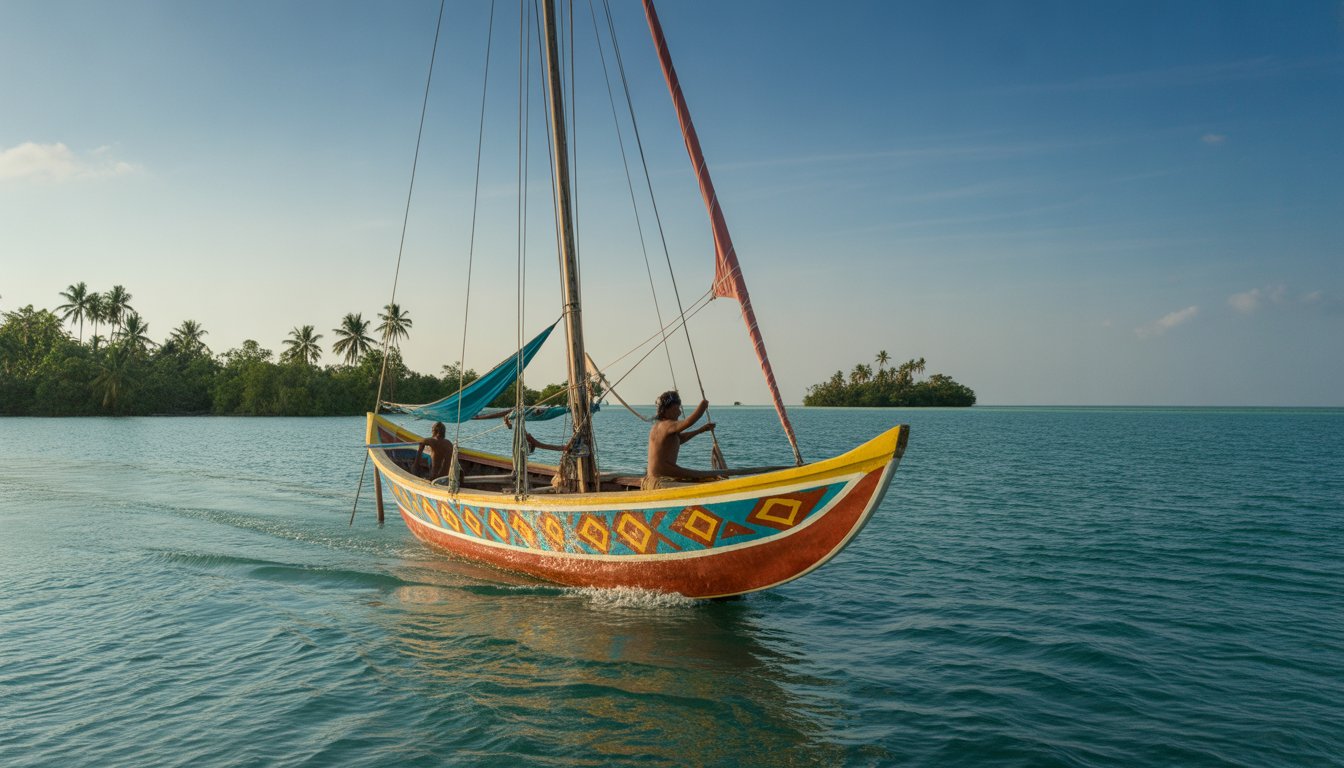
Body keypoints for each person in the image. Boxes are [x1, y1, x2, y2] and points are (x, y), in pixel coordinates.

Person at [644, 390, 718, 490]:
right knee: (704, 475)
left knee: (703, 475)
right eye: (677, 408)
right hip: (660, 481)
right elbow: (688, 422)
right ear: (667, 409)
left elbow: (680, 439)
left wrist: (700, 430)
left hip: (651, 479)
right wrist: (702, 406)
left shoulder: (657, 426)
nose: (679, 413)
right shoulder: (667, 425)